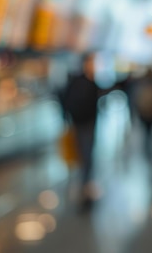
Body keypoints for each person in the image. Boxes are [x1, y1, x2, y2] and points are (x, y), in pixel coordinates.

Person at [57, 54, 101, 211]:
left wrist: (66, 117)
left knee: (79, 154)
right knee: (87, 155)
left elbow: (61, 98)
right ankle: (84, 183)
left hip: (75, 123)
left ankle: (79, 182)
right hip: (88, 124)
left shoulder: (72, 83)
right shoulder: (91, 83)